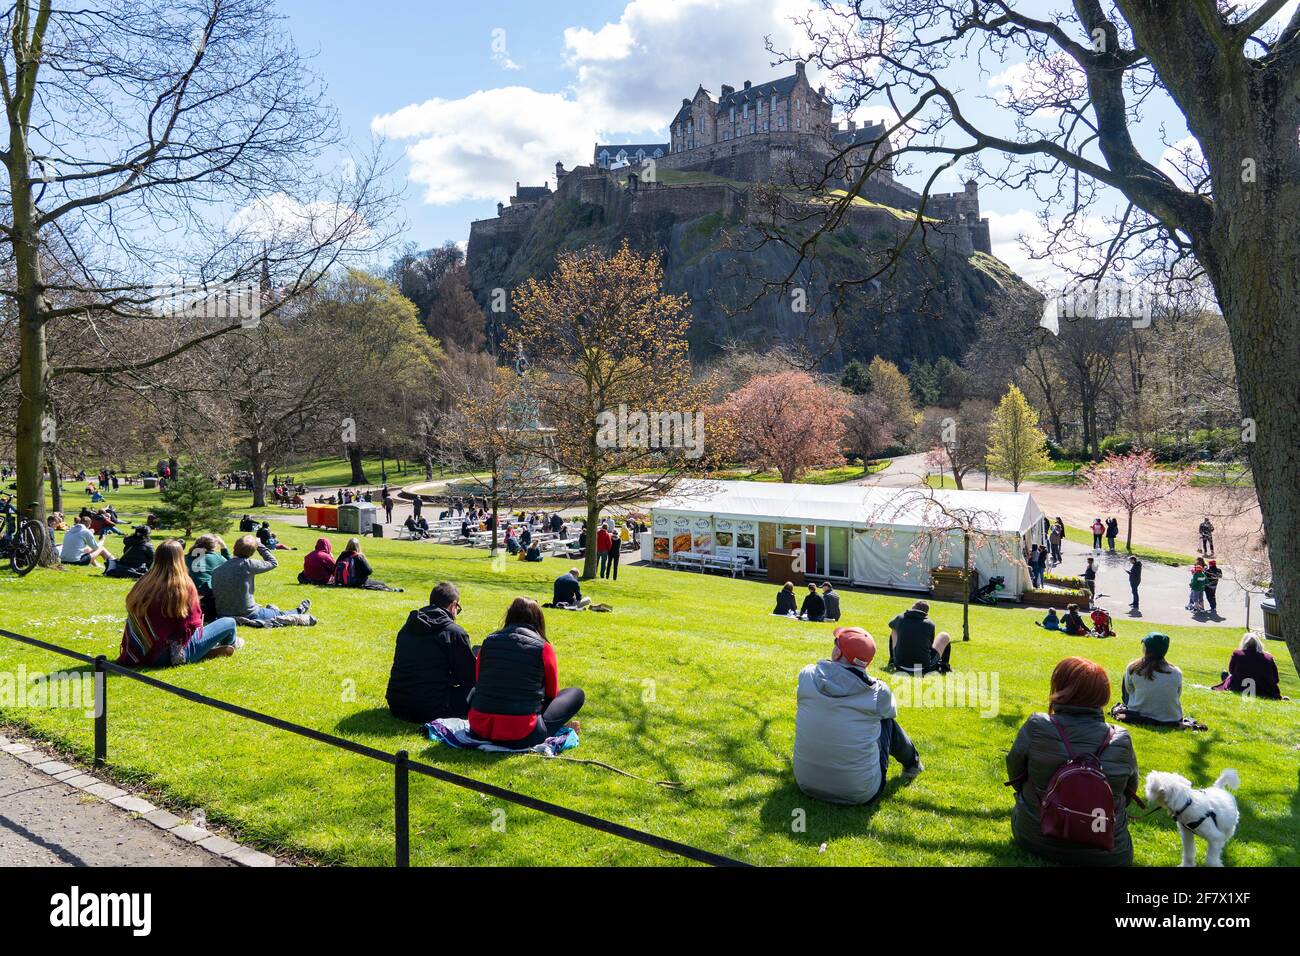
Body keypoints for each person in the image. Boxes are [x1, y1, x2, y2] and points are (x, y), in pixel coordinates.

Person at [1006, 657, 1140, 866]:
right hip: (1108, 852)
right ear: (1102, 694)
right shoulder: (1120, 738)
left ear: (1059, 687)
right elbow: (1129, 792)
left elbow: (1015, 773)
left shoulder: (1037, 725)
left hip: (1035, 836)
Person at [793, 626, 923, 805]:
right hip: (859, 793)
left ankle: (912, 763)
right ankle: (912, 764)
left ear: (838, 652)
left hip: (806, 782)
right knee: (886, 721)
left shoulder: (807, 676)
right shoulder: (878, 692)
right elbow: (890, 714)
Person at [469, 597, 584, 747]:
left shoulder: (488, 642)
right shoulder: (543, 648)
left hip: (479, 728)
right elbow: (552, 693)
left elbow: (479, 682)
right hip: (522, 733)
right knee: (576, 693)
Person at [117, 539, 240, 667]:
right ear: (180, 559)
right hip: (170, 656)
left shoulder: (143, 582)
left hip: (139, 653)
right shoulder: (183, 586)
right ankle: (228, 645)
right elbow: (191, 625)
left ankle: (207, 650)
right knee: (229, 622)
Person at [386, 582, 477, 723]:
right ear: (453, 605)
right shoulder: (453, 633)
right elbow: (469, 678)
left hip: (397, 703)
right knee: (479, 692)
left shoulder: (408, 627)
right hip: (431, 707)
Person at [210, 535, 315, 626]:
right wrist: (260, 545)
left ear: (234, 547)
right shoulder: (248, 565)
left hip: (223, 614)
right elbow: (273, 562)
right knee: (280, 614)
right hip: (249, 613)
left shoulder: (216, 571)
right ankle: (298, 611)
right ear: (251, 553)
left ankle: (274, 610)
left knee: (270, 611)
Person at [1119, 632, 1183, 724]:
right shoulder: (1177, 672)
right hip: (1172, 717)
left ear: (1145, 648)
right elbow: (1178, 694)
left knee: (1127, 677)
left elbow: (1129, 690)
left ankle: (1130, 706)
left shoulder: (1133, 668)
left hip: (1139, 714)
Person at [1212, 633, 1284, 699]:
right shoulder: (1269, 657)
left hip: (1240, 687)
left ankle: (1225, 679)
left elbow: (1232, 671)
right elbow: (1276, 679)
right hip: (1265, 690)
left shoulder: (1237, 654)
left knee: (1228, 676)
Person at [887, 600, 952, 673]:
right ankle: (944, 666)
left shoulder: (900, 618)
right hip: (922, 668)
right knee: (944, 635)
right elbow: (930, 645)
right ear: (926, 613)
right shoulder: (930, 624)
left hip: (900, 665)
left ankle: (892, 660)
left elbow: (891, 625)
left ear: (913, 607)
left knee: (894, 629)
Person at [332, 537, 401, 591]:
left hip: (343, 581)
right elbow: (369, 571)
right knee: (381, 583)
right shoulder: (358, 556)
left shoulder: (343, 555)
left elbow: (335, 568)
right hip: (357, 582)